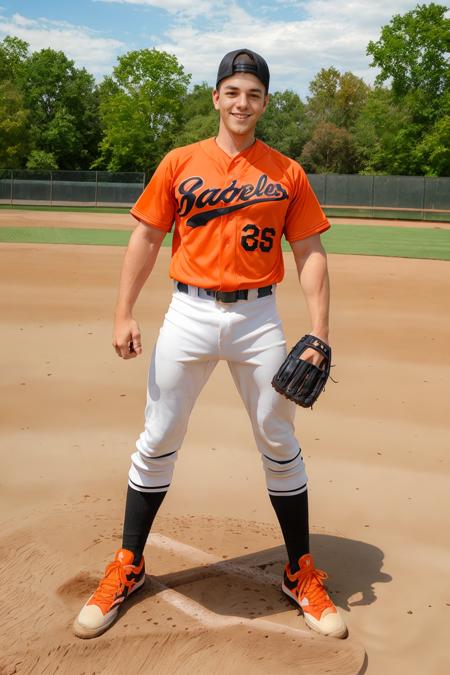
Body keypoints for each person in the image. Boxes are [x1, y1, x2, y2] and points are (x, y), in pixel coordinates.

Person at [73, 48, 347, 640]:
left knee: (278, 435)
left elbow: (309, 254)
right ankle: (128, 564)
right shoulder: (180, 163)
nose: (241, 102)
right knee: (159, 435)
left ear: (265, 102)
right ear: (217, 98)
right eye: (232, 91)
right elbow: (146, 238)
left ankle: (299, 571)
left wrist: (319, 336)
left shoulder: (286, 172)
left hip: (259, 320)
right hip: (188, 313)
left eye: (253, 93)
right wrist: (123, 313)